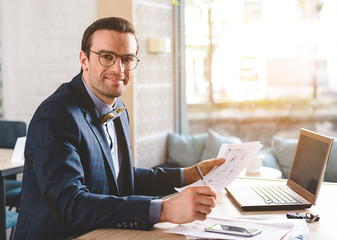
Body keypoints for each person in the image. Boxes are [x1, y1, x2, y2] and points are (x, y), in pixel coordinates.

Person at [14, 17, 224, 239]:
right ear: (84, 60)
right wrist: (165, 209)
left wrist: (188, 174)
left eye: (127, 58)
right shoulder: (56, 115)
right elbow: (69, 205)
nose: (119, 68)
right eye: (107, 57)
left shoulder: (118, 107)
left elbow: (119, 178)